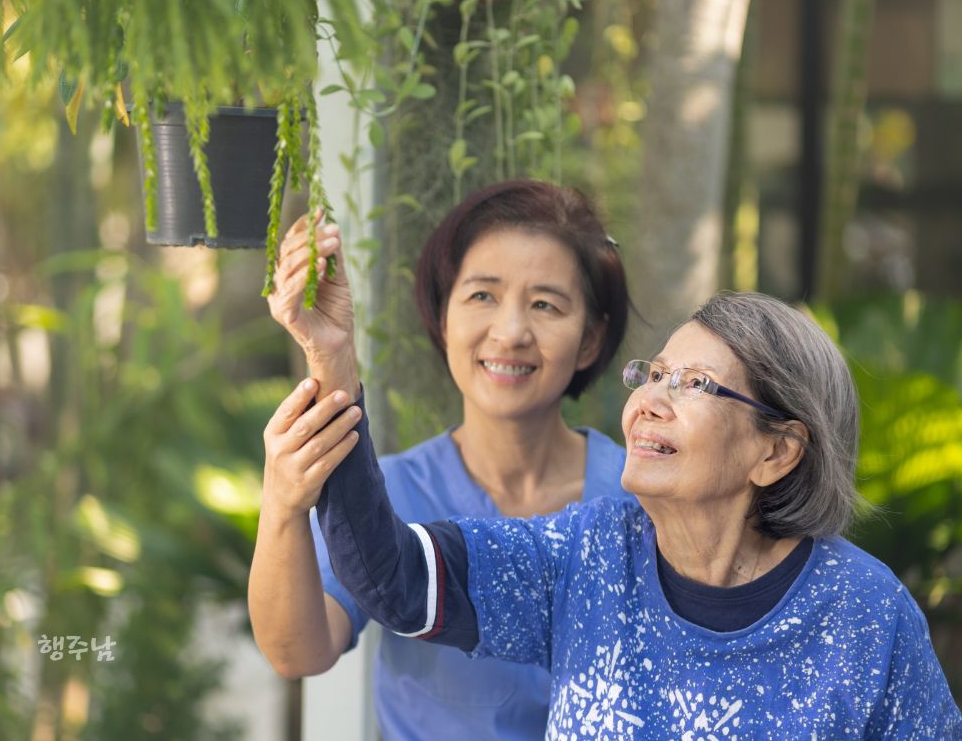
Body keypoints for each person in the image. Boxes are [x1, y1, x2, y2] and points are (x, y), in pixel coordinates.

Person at [268, 282, 962, 737]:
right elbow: (394, 578)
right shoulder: (587, 555)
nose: (651, 400)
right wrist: (332, 362)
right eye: (653, 373)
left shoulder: (864, 611)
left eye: (696, 385)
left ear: (777, 452)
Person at [249, 180, 634, 739]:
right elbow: (298, 652)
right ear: (443, 312)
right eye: (482, 295)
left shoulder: (638, 497)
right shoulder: (392, 493)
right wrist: (283, 505)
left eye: (546, 304)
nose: (510, 332)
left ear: (592, 341)